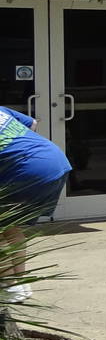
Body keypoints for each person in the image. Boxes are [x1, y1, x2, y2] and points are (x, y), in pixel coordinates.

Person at [0, 103, 71, 277]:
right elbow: (32, 124)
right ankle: (19, 285)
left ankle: (8, 287)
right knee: (9, 227)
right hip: (53, 159)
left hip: (27, 170)